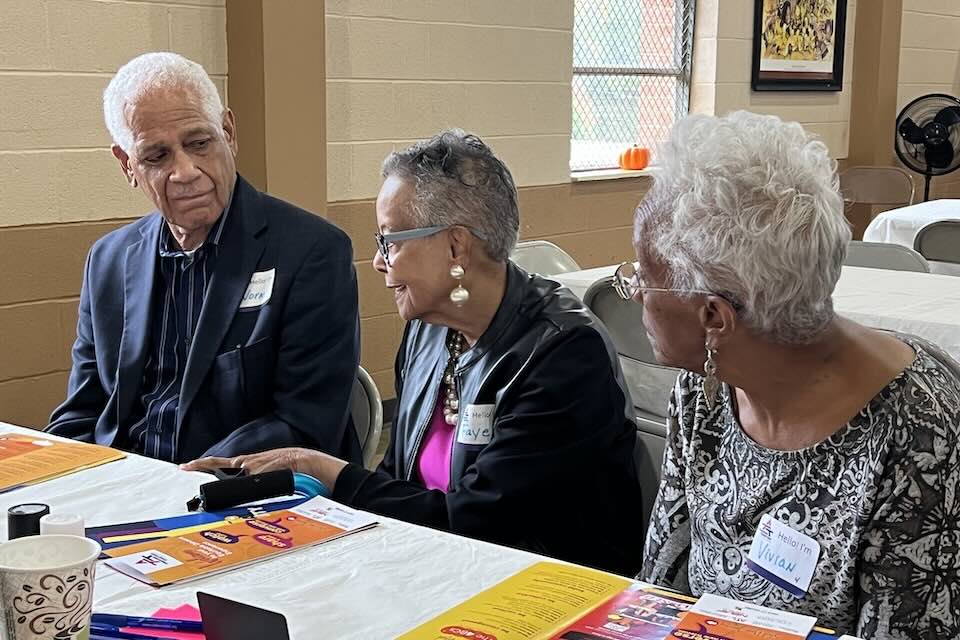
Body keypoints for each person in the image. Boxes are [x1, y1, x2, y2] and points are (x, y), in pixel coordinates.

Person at [185, 130, 645, 575]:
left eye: (389, 240)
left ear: (455, 245)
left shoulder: (562, 353)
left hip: (543, 593)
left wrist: (324, 470)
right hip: (436, 568)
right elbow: (399, 479)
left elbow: (482, 524)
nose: (378, 261)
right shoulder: (430, 331)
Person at [626, 111, 960, 637]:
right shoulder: (703, 388)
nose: (637, 295)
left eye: (643, 278)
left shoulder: (919, 430)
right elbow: (660, 590)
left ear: (714, 317)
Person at [47, 52, 361, 464]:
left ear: (228, 132)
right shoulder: (108, 261)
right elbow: (84, 410)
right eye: (157, 157)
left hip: (241, 495)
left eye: (199, 143)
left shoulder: (311, 251)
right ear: (127, 165)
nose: (185, 171)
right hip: (123, 484)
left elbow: (306, 421)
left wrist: (180, 480)